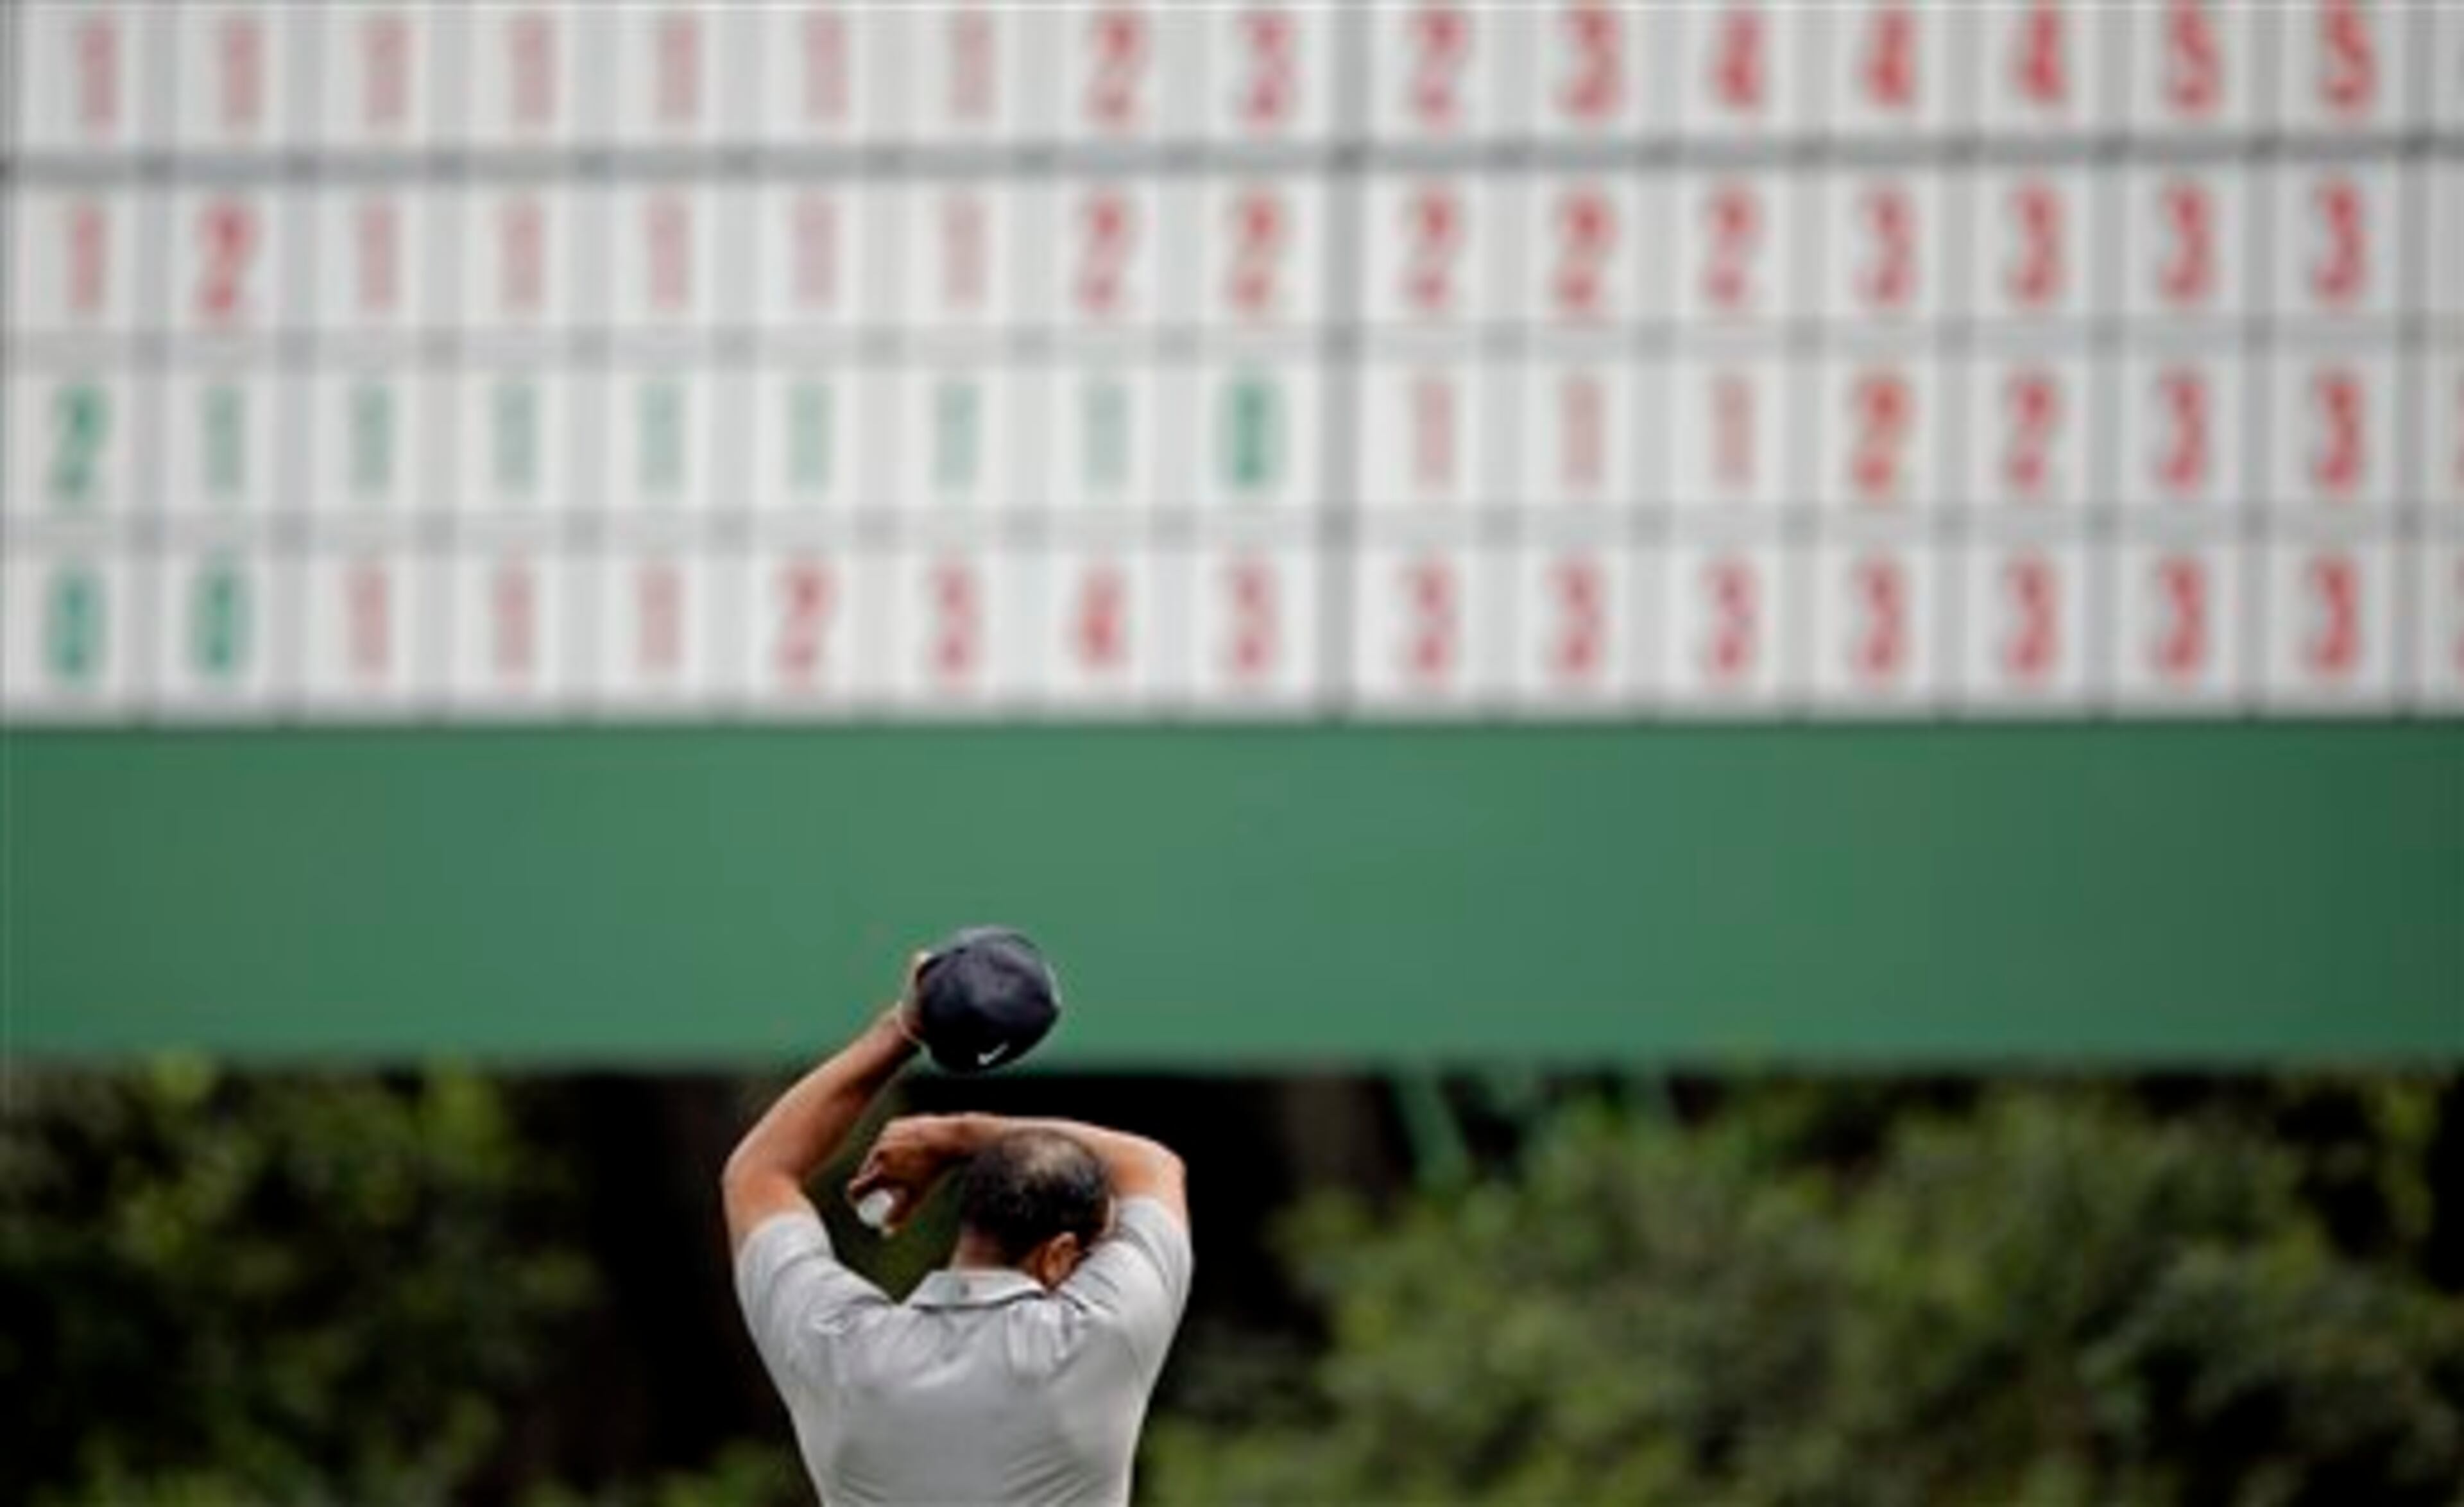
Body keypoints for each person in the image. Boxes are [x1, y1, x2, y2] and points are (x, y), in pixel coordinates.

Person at [721, 954, 1192, 1506]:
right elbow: (1152, 1167)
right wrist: (960, 1135)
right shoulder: (1103, 1339)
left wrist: (902, 1029)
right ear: (1060, 1255)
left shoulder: (839, 1348)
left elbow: (758, 1173)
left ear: (971, 1220)